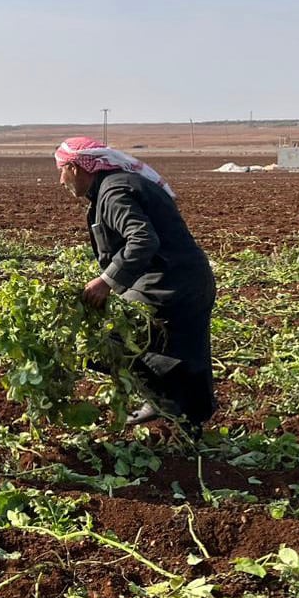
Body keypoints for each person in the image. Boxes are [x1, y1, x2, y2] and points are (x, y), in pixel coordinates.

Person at [55, 137, 217, 429]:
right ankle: (184, 422)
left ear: (76, 168)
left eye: (62, 171)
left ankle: (163, 405)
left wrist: (107, 281)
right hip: (191, 281)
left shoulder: (114, 192)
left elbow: (143, 240)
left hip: (168, 286)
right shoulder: (118, 184)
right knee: (185, 352)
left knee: (102, 342)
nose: (61, 180)